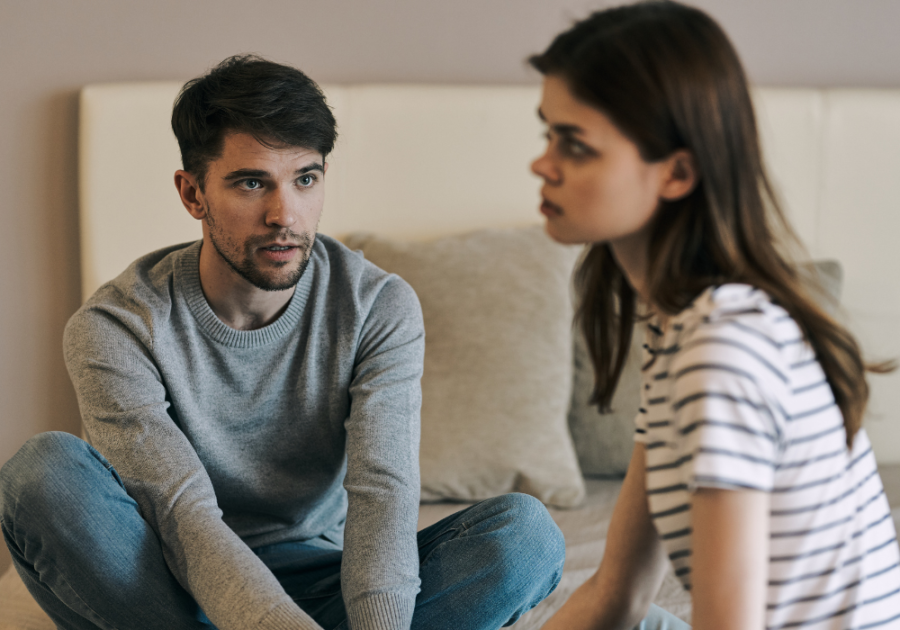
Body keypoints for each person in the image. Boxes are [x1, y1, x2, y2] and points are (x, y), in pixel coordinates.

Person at [0, 55, 564, 630]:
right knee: (40, 473)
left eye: (306, 179)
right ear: (193, 194)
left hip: (324, 583)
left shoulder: (377, 306)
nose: (284, 215)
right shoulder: (116, 326)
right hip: (169, 592)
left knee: (525, 537)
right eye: (252, 183)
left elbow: (382, 491)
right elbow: (182, 515)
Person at [528, 3, 900, 629]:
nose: (543, 163)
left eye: (575, 144)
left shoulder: (724, 345)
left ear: (677, 172)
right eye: (548, 134)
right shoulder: (677, 332)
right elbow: (618, 594)